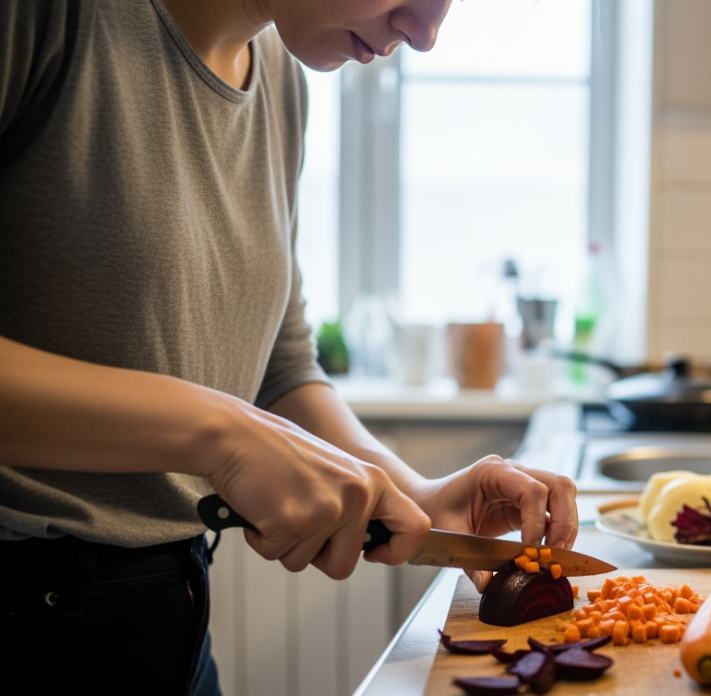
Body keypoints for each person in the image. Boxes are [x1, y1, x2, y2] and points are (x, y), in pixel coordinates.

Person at [0, 1, 579, 693]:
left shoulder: (278, 76)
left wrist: (416, 498)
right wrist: (224, 435)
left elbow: (281, 365)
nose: (425, 34)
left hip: (168, 610)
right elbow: (236, 420)